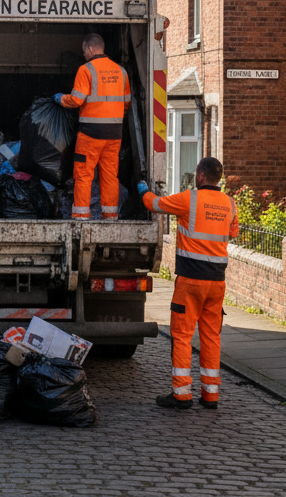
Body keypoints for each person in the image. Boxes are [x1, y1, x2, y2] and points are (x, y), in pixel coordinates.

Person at [136, 157, 237, 410]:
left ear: (201, 176)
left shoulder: (189, 199)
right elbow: (232, 232)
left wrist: (142, 190)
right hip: (217, 283)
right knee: (211, 336)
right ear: (219, 178)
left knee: (182, 336)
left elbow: (155, 204)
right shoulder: (230, 204)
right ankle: (210, 395)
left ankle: (182, 394)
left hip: (191, 281)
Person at [54, 33, 130, 220]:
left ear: (89, 48)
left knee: (83, 175)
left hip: (90, 135)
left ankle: (81, 219)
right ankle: (110, 217)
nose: (84, 54)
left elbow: (76, 100)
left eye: (84, 50)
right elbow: (126, 102)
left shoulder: (86, 70)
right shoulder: (121, 71)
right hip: (114, 134)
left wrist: (59, 98)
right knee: (110, 176)